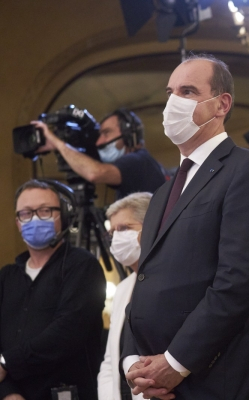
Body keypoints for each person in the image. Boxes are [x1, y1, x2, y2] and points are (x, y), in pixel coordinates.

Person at [121, 54, 249, 399]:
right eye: (170, 92)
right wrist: (132, 360)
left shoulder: (246, 171)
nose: (172, 103)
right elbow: (144, 281)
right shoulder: (165, 191)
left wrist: (176, 362)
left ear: (220, 104)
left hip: (219, 379)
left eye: (188, 91)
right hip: (159, 382)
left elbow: (239, 281)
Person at [0, 179, 106, 400]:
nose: (35, 218)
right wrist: (8, 392)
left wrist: (7, 363)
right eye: (26, 213)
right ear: (18, 222)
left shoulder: (82, 266)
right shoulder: (6, 276)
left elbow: (68, 331)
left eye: (45, 210)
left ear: (64, 216)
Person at [34, 108, 166, 199]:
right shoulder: (143, 163)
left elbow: (95, 173)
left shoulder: (138, 160)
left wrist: (57, 143)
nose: (99, 142)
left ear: (128, 136)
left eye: (106, 133)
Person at [98, 192, 152, 400]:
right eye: (112, 232)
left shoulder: (173, 284)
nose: (116, 238)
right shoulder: (122, 289)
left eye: (124, 228)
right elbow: (110, 362)